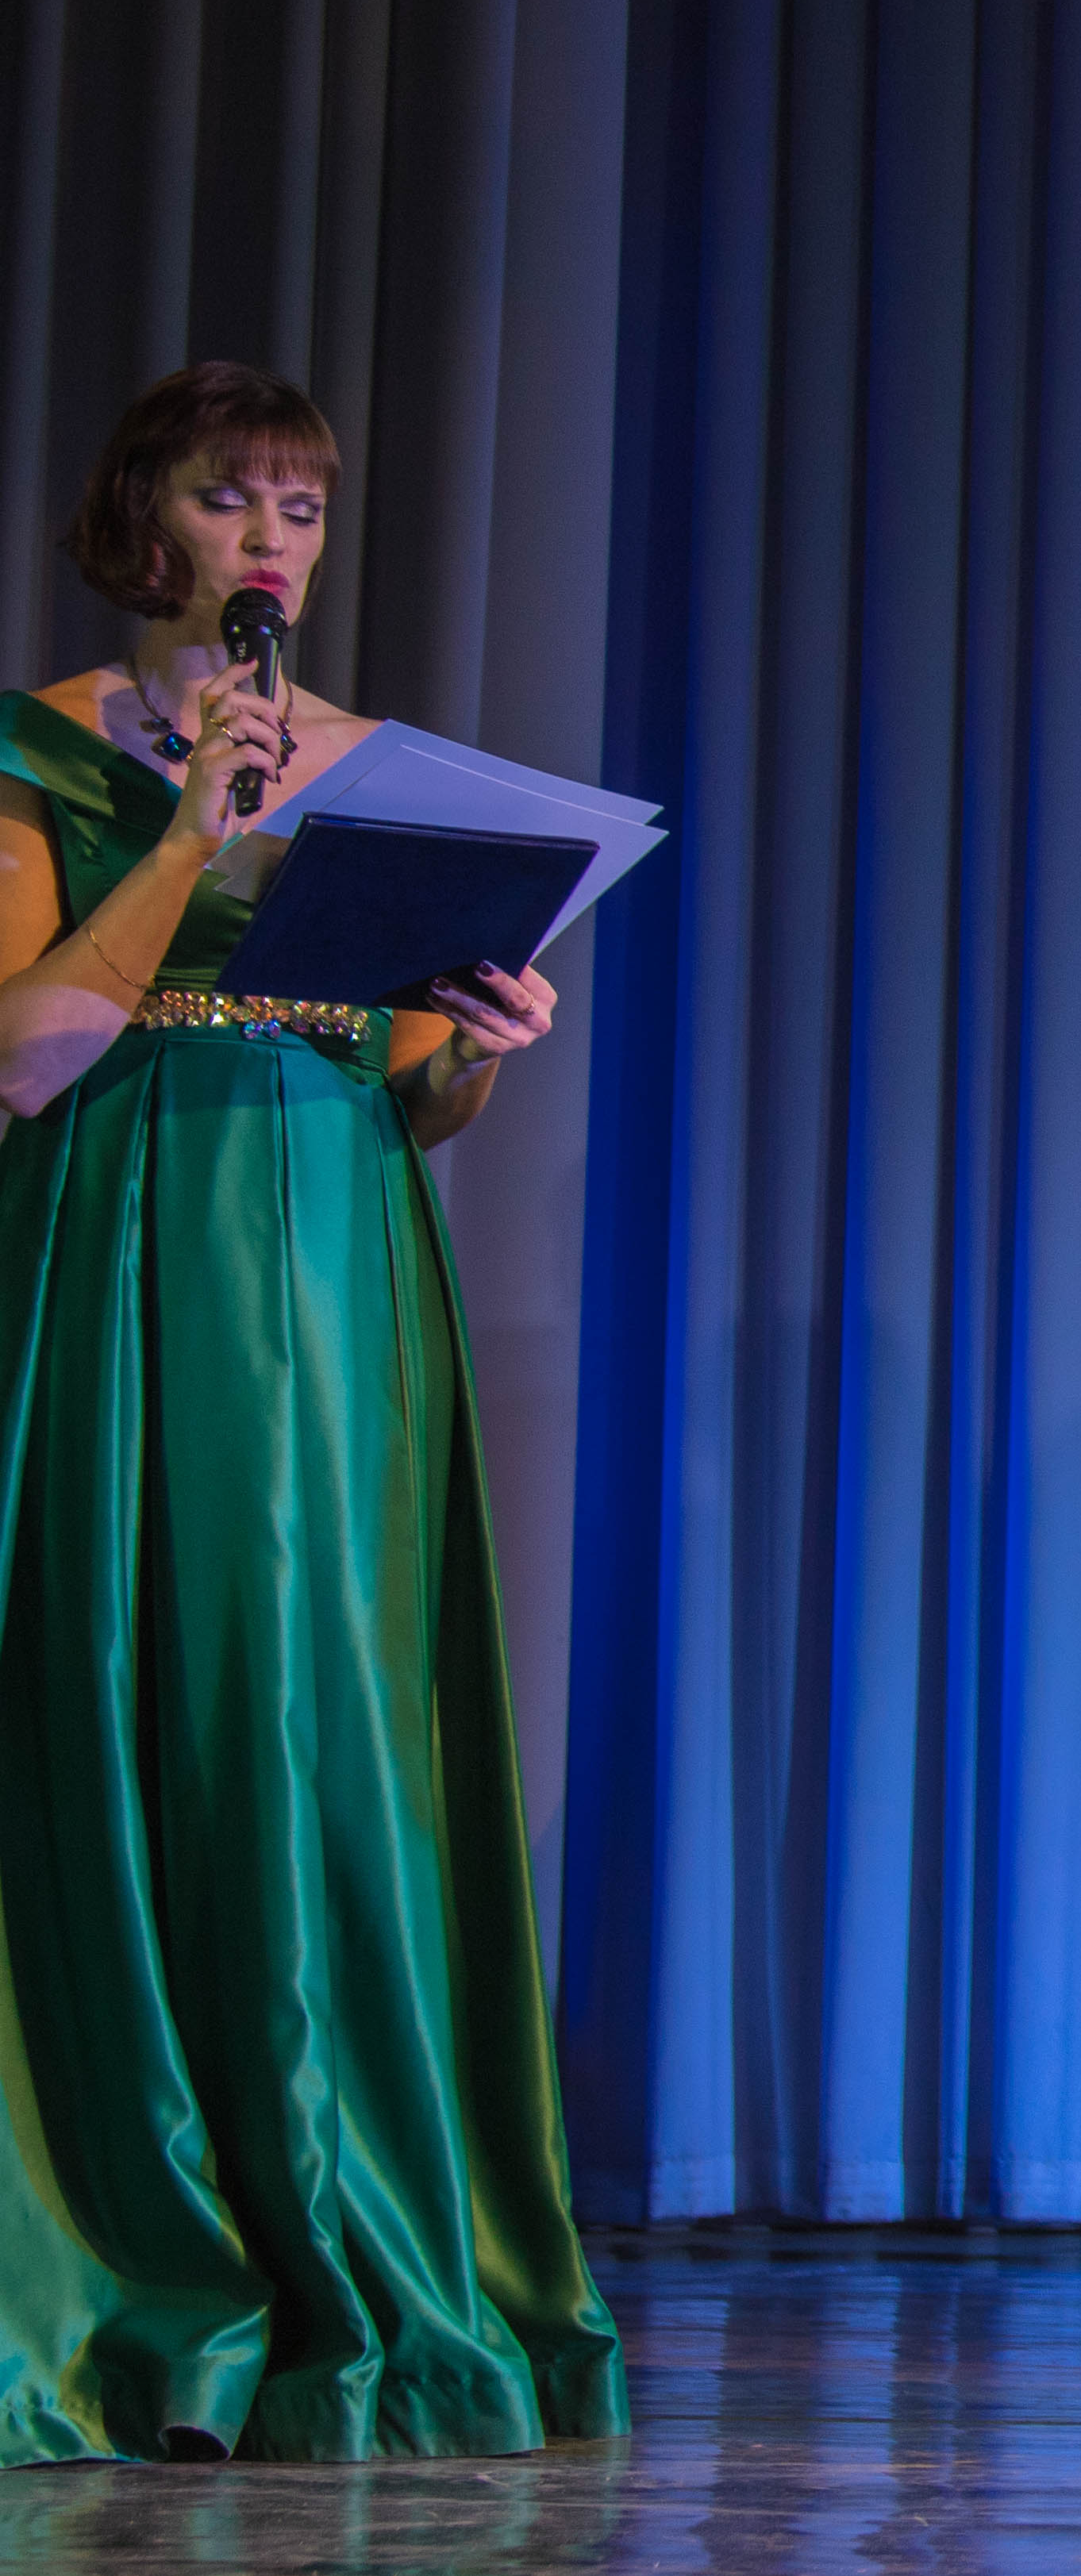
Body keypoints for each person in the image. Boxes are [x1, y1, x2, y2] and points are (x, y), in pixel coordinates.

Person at [0, 363, 624, 2462]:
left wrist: (482, 1043)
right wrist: (193, 830)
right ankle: (131, 2232)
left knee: (323, 1709)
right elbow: (23, 1056)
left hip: (341, 1256)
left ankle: (344, 2218)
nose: (273, 540)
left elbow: (404, 1090)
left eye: (301, 506)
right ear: (143, 520)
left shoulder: (385, 776)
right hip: (126, 1232)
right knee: (132, 1690)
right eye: (230, 497)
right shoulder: (43, 749)